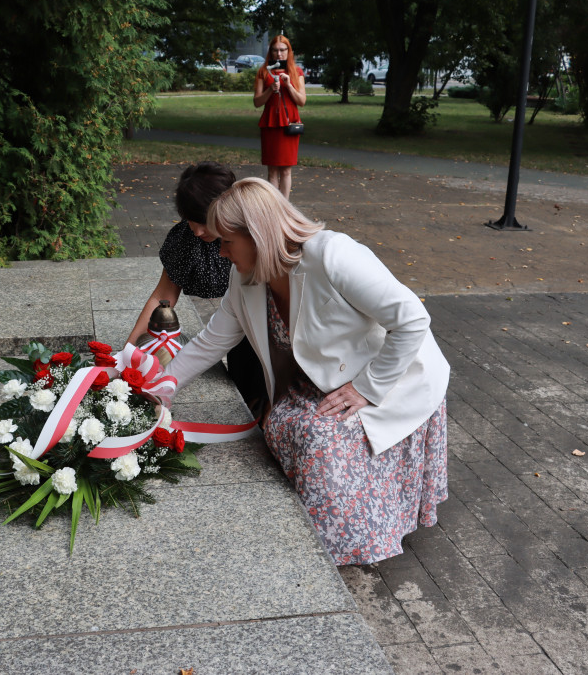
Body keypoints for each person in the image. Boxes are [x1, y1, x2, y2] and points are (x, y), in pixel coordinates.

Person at [164, 178, 450, 566]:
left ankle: (341, 546)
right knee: (281, 422)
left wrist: (367, 388)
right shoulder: (244, 277)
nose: (220, 252)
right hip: (327, 381)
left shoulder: (333, 255)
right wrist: (161, 386)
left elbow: (413, 320)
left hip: (393, 379)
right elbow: (210, 343)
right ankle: (318, 518)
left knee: (318, 439)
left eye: (226, 242)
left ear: (258, 235)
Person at [127, 162, 268, 417]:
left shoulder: (250, 238)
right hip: (232, 317)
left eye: (205, 222)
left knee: (255, 380)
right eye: (193, 221)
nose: (199, 230)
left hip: (259, 319)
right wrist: (130, 351)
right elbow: (162, 296)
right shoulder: (186, 239)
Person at [253, 35, 307, 200]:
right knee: (272, 170)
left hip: (289, 123)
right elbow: (257, 102)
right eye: (275, 50)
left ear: (289, 51)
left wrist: (288, 85)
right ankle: (273, 206)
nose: (279, 54)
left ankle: (285, 207)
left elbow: (302, 101)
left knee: (286, 169)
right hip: (270, 123)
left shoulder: (296, 72)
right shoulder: (263, 71)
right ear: (271, 51)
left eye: (283, 50)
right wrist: (271, 90)